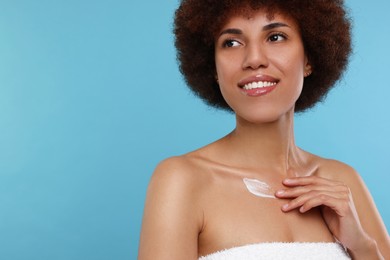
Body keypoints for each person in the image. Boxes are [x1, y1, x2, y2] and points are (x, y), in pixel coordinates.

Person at [138, 0, 390, 259]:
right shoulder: (183, 181)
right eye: (231, 43)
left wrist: (361, 245)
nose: (254, 59)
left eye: (276, 37)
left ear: (309, 59)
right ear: (213, 68)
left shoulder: (341, 182)